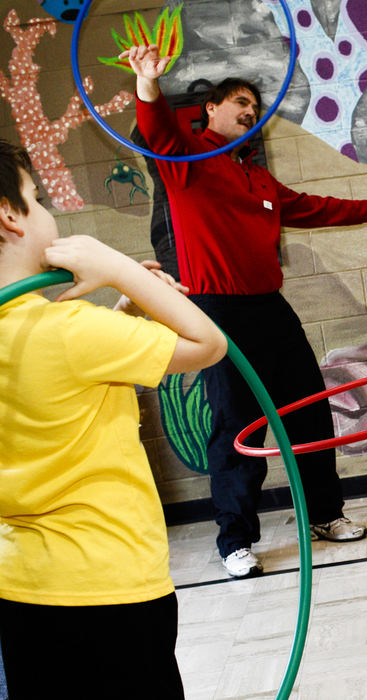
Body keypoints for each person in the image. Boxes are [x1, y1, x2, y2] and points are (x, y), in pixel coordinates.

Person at [122, 44, 367, 577]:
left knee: (309, 409)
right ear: (210, 111)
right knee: (238, 422)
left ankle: (324, 515)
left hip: (270, 308)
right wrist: (147, 83)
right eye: (238, 101)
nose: (249, 109)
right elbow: (158, 128)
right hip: (216, 312)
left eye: (254, 105)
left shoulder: (257, 177)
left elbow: (312, 208)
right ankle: (235, 540)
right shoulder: (187, 162)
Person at [0, 138, 227, 697]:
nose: (50, 211)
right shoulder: (70, 330)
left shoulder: (49, 329)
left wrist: (124, 313)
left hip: (22, 587)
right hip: (110, 582)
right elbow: (209, 343)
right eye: (39, 197)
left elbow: (70, 389)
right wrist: (124, 272)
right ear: (10, 216)